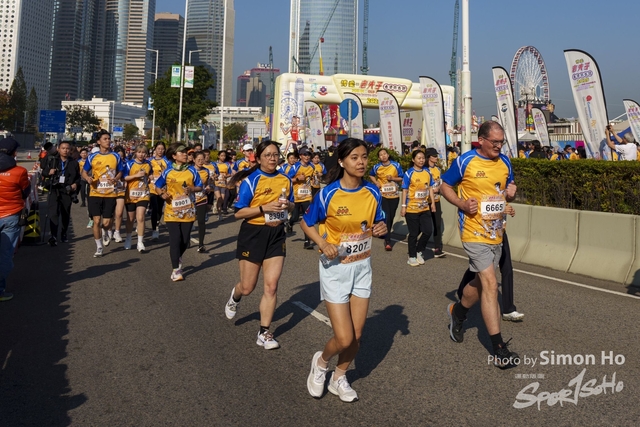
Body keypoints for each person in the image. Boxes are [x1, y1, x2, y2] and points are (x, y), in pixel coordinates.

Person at [301, 138, 387, 403]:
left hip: (362, 267)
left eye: (364, 157)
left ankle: (339, 377)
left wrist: (381, 228)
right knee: (344, 337)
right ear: (341, 161)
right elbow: (306, 222)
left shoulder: (372, 191)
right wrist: (323, 243)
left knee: (357, 336)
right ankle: (321, 363)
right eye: (354, 158)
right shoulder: (328, 194)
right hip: (335, 269)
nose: (361, 162)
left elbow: (379, 221)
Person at [440, 121, 519, 369]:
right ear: (481, 140)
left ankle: (458, 312)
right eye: (494, 142)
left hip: (496, 231)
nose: (499, 146)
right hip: (473, 232)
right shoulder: (465, 161)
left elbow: (507, 190)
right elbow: (444, 185)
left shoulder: (505, 162)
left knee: (479, 282)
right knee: (490, 283)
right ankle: (499, 349)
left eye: (501, 142)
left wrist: (511, 193)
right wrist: (461, 204)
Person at [224, 140, 294, 349]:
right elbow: (239, 213)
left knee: (271, 286)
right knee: (247, 287)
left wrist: (288, 206)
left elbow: (291, 206)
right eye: (267, 155)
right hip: (253, 234)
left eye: (275, 155)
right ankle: (235, 296)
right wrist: (264, 208)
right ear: (259, 158)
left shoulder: (285, 179)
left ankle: (264, 333)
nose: (272, 158)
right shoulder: (251, 181)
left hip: (276, 235)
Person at [456, 205, 524, 321]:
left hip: (499, 231)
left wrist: (509, 205)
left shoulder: (503, 192)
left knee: (507, 268)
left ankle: (508, 309)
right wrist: (501, 210)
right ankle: (462, 292)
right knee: (480, 268)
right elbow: (484, 206)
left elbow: (504, 199)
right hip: (482, 232)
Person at [154, 143, 203, 281]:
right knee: (175, 239)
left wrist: (192, 189)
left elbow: (200, 186)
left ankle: (177, 256)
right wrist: (162, 194)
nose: (185, 155)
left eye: (186, 153)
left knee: (185, 241)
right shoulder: (168, 171)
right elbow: (157, 186)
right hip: (172, 211)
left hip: (188, 211)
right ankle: (176, 270)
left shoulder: (192, 170)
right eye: (181, 153)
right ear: (174, 156)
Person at [81, 130, 124, 257]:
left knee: (106, 223)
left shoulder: (115, 156)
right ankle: (99, 247)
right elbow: (84, 172)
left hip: (110, 193)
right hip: (95, 192)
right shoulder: (92, 156)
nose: (108, 141)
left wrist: (116, 179)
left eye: (109, 139)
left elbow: (120, 171)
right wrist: (88, 178)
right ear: (99, 142)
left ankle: (106, 232)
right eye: (105, 139)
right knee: (96, 220)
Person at [0, 137, 30, 301]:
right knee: (5, 254)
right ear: (14, 153)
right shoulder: (19, 172)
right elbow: (25, 192)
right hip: (11, 215)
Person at [41, 141, 81, 245]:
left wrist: (75, 184)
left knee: (65, 213)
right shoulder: (52, 160)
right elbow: (43, 171)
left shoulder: (74, 162)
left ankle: (64, 233)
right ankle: (53, 235)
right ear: (58, 149)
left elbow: (78, 177)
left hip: (67, 190)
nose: (65, 150)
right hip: (54, 189)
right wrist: (49, 172)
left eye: (67, 148)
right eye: (63, 148)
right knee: (53, 213)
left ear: (70, 150)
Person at [401, 150, 435, 266]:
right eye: (419, 158)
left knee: (428, 231)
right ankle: (411, 256)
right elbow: (405, 190)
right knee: (414, 233)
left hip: (424, 208)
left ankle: (419, 251)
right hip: (412, 208)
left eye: (423, 158)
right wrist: (403, 206)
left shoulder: (427, 172)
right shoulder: (409, 173)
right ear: (413, 160)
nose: (421, 160)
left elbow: (430, 188)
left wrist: (432, 203)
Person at [369, 147, 403, 251]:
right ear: (379, 158)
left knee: (391, 216)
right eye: (381, 155)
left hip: (394, 195)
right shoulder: (377, 167)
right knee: (387, 216)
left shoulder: (396, 165)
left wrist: (393, 178)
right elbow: (371, 175)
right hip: (383, 195)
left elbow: (402, 178)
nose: (383, 156)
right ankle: (388, 241)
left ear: (388, 155)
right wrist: (376, 183)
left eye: (384, 154)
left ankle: (386, 232)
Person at [123, 144, 152, 252]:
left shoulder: (148, 164)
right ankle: (128, 238)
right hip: (130, 195)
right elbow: (125, 177)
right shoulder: (129, 163)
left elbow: (150, 174)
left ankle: (140, 242)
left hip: (143, 194)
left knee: (140, 217)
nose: (141, 154)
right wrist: (136, 176)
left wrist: (150, 177)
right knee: (130, 219)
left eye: (143, 152)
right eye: (139, 152)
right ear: (135, 153)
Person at [286, 146, 315, 248]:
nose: (307, 157)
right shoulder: (295, 167)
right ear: (300, 156)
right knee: (295, 217)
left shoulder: (312, 166)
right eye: (305, 155)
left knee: (307, 219)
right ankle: (290, 223)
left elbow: (311, 178)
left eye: (309, 155)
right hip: (296, 197)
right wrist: (297, 179)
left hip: (307, 196)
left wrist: (314, 180)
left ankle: (307, 242)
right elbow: (287, 179)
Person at [425, 147, 446, 258]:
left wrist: (439, 188)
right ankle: (419, 246)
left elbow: (440, 183)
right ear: (428, 157)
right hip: (425, 202)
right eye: (434, 156)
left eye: (436, 155)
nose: (436, 157)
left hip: (436, 200)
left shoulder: (438, 169)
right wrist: (430, 190)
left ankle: (437, 248)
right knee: (425, 227)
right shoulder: (424, 170)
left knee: (437, 225)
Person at [149, 142, 170, 241]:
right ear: (155, 149)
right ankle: (154, 229)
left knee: (159, 209)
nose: (160, 151)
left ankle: (157, 223)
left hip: (162, 189)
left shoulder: (167, 161)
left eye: (162, 149)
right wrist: (149, 175)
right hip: (152, 188)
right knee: (155, 208)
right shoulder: (150, 161)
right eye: (158, 148)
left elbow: (170, 173)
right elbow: (145, 171)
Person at [193, 151, 211, 253]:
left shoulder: (206, 171)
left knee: (201, 221)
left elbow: (208, 184)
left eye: (202, 159)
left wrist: (208, 187)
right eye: (198, 159)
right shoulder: (189, 170)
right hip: (191, 199)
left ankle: (201, 244)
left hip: (202, 198)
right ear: (194, 160)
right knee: (189, 221)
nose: (200, 161)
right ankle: (186, 240)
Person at [112, 145, 128, 242]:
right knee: (110, 213)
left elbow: (127, 175)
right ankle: (108, 230)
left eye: (121, 156)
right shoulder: (110, 163)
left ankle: (117, 232)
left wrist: (125, 180)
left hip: (121, 189)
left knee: (119, 212)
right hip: (109, 190)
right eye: (118, 156)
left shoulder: (126, 164)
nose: (120, 158)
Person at [213, 150, 231, 220]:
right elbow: (212, 172)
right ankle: (220, 215)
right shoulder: (214, 164)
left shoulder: (227, 164)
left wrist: (226, 176)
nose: (223, 157)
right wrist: (215, 176)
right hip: (216, 184)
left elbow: (229, 173)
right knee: (219, 198)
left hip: (223, 184)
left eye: (224, 156)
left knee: (222, 200)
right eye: (222, 156)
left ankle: (216, 205)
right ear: (218, 156)